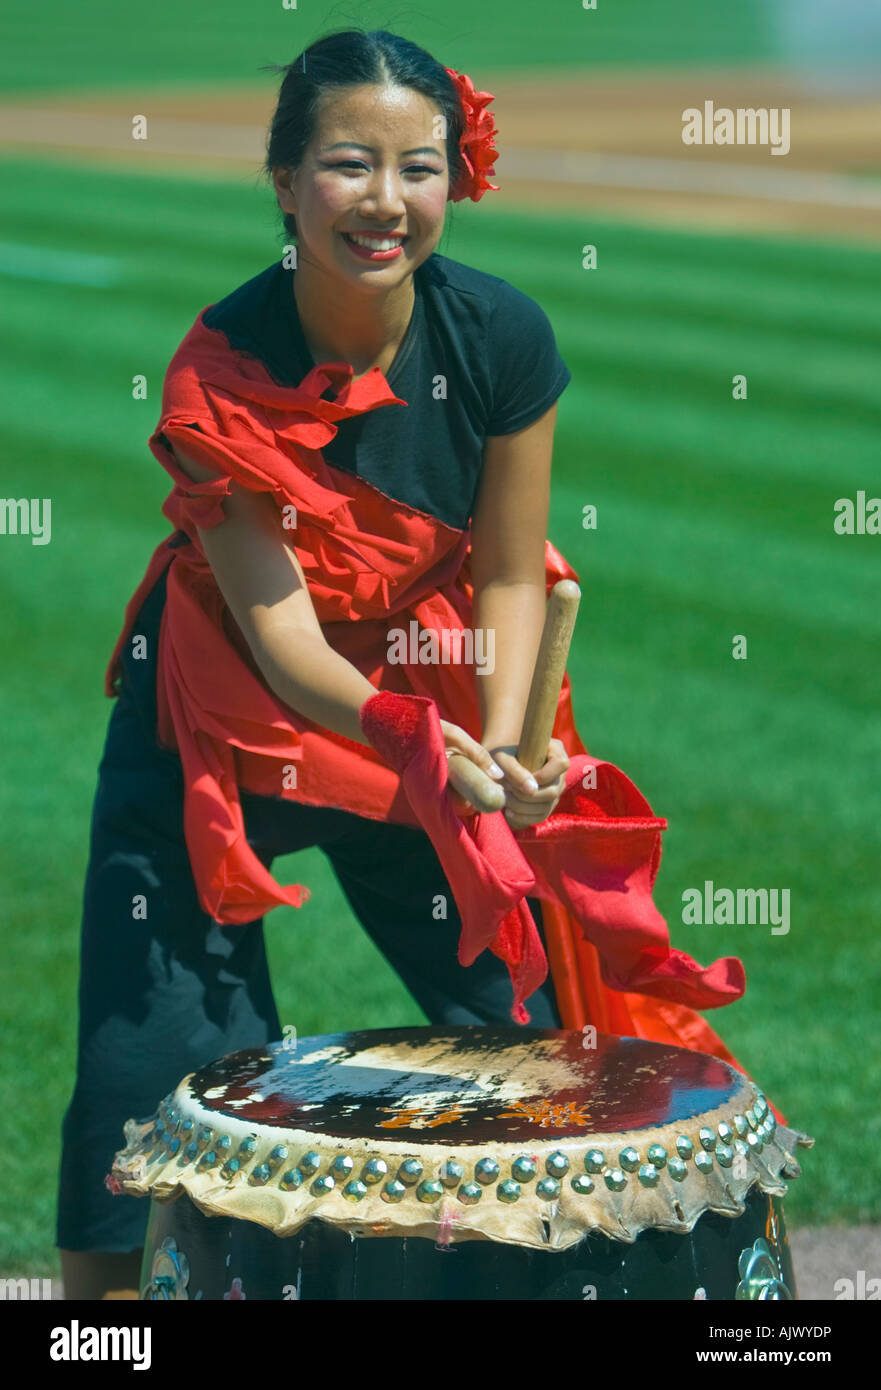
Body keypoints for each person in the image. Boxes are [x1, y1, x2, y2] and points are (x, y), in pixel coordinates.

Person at [57, 28, 753, 1301]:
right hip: (226, 708)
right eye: (346, 164)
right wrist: (426, 746)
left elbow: (506, 574)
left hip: (425, 696)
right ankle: (104, 1326)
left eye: (417, 167)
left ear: (455, 179)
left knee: (526, 1022)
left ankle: (572, 1286)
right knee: (149, 1047)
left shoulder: (500, 336)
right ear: (282, 181)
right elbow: (278, 638)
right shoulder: (221, 366)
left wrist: (499, 751)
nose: (385, 199)